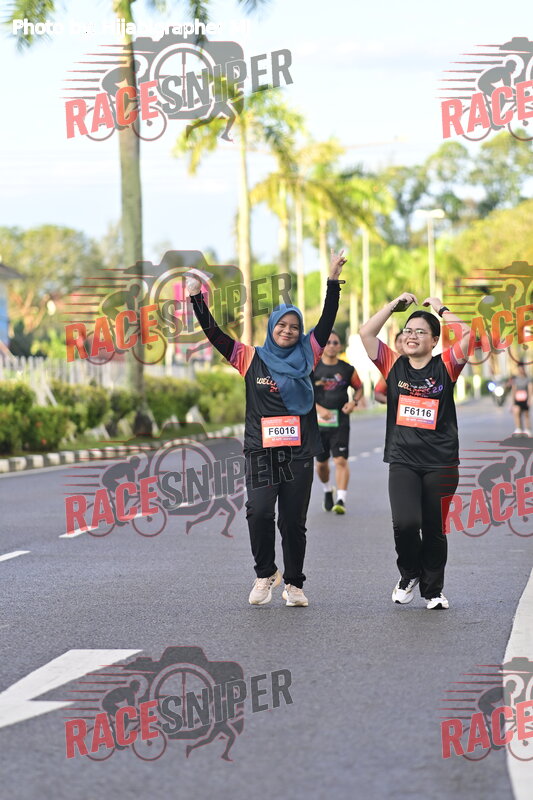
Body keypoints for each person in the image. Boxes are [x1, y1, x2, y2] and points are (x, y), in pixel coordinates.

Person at [187, 250, 346, 607]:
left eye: (294, 326)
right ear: (271, 327)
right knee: (258, 512)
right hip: (261, 450)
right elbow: (214, 334)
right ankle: (265, 574)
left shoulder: (309, 354)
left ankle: (294, 584)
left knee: (293, 522)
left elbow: (327, 317)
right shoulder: (249, 357)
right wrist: (197, 297)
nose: (288, 331)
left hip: (299, 452)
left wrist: (333, 280)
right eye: (281, 325)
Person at [359, 293, 470, 610]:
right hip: (403, 460)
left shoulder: (446, 366)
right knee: (406, 523)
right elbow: (366, 333)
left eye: (421, 332)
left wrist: (441, 309)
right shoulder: (393, 365)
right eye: (408, 330)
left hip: (441, 462)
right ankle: (409, 574)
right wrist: (392, 306)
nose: (412, 336)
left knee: (434, 529)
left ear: (434, 341)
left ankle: (433, 591)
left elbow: (468, 336)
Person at [313, 329, 363, 514]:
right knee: (321, 464)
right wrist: (318, 409)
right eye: (328, 342)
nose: (332, 346)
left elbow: (359, 388)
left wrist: (354, 402)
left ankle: (341, 499)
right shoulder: (313, 368)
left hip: (340, 422)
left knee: (341, 460)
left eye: (335, 342)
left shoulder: (347, 369)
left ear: (340, 346)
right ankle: (327, 490)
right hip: (318, 424)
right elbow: (303, 393)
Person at [374, 331, 405, 404]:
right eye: (400, 341)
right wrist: (395, 403)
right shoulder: (391, 368)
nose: (403, 345)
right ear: (395, 345)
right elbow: (377, 394)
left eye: (406, 341)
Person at [507, 364, 533, 436]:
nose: (521, 370)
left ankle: (527, 429)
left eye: (522, 369)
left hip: (525, 399)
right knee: (516, 412)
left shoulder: (528, 379)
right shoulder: (515, 379)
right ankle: (518, 428)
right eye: (519, 369)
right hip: (517, 399)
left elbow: (530, 389)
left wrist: (529, 399)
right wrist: (512, 402)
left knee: (526, 414)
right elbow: (514, 390)